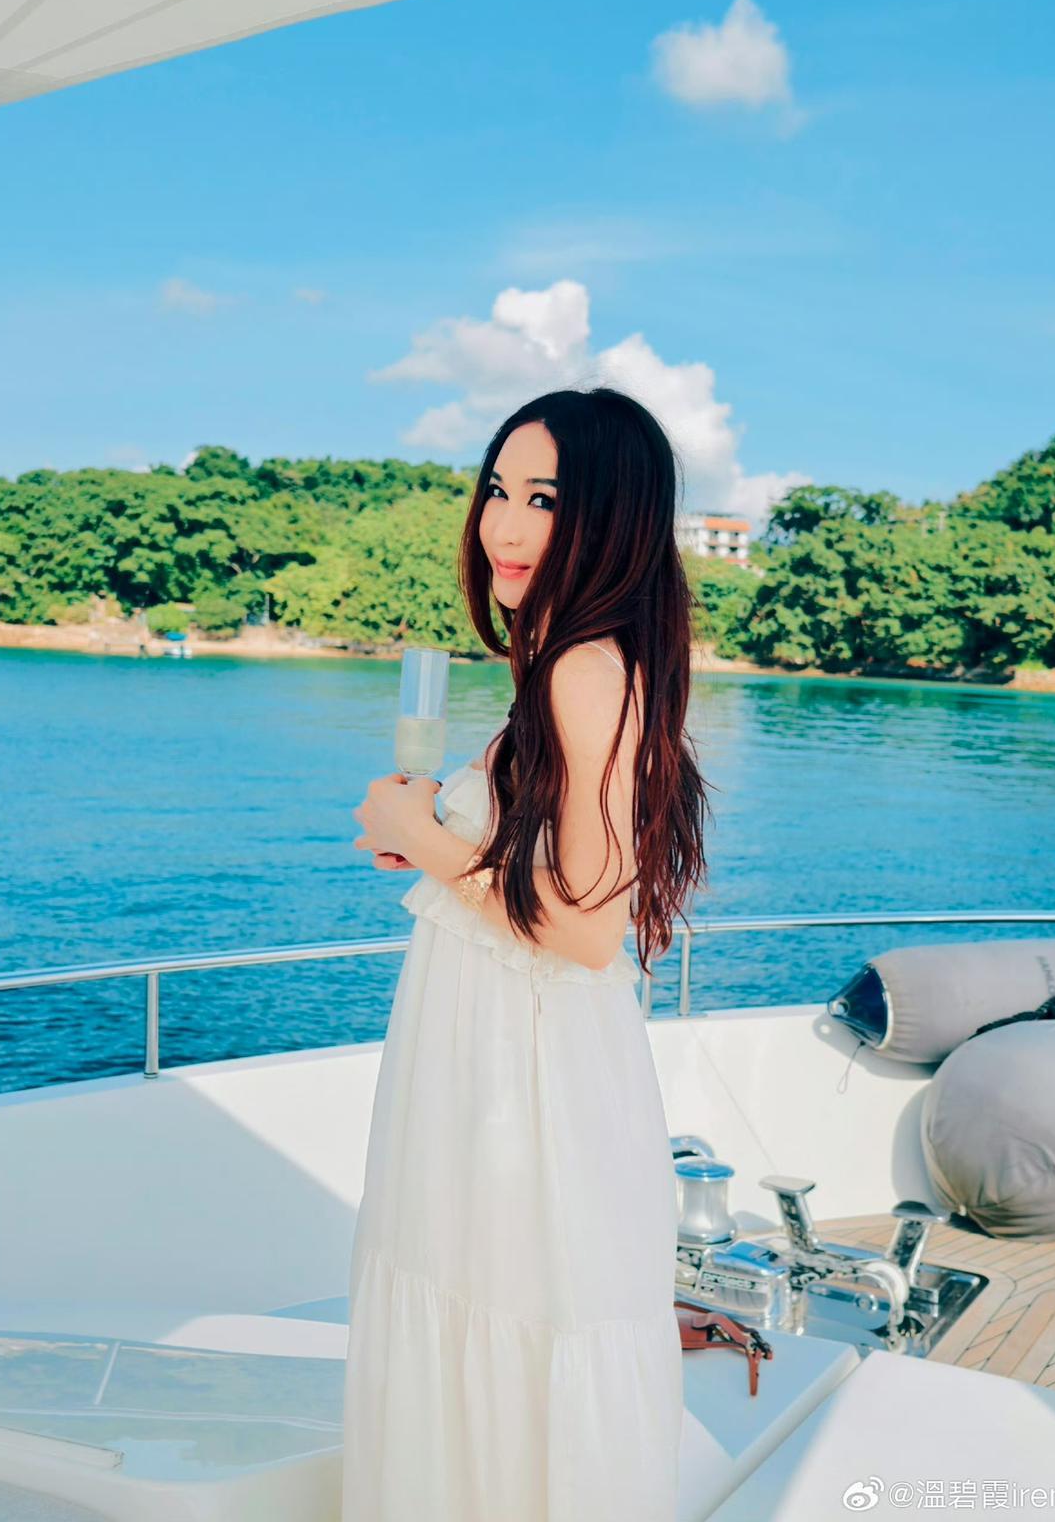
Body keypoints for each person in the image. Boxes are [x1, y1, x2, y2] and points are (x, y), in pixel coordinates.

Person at [343, 385, 713, 1520]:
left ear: (612, 517)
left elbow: (587, 926)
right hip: (504, 1063)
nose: (504, 525)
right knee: (490, 1331)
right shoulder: (573, 666)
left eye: (544, 499)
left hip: (526, 1082)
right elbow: (547, 875)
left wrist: (420, 835)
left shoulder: (580, 671)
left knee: (507, 1334)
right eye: (497, 491)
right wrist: (447, 834)